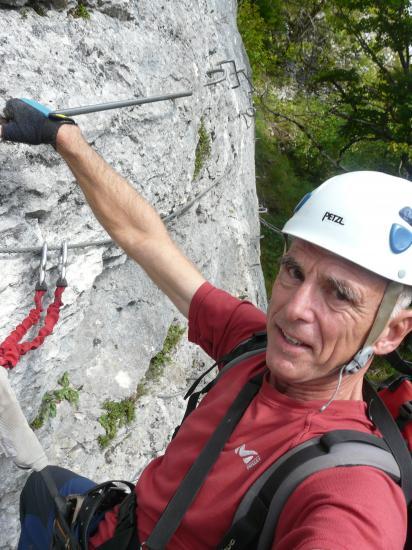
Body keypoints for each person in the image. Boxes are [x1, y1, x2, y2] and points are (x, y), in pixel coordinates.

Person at [1, 98, 412, 550]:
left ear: (390, 331)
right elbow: (145, 240)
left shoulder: (350, 490)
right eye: (293, 271)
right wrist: (66, 138)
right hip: (116, 526)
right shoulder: (254, 344)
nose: (295, 308)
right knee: (43, 488)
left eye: (339, 294)